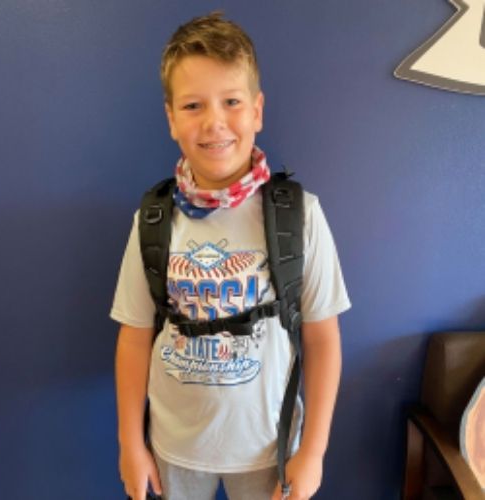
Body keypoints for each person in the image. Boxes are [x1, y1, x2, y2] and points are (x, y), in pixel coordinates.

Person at [111, 11, 351, 500]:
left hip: (271, 449)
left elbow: (323, 338)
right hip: (174, 449)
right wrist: (129, 443)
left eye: (232, 101)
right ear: (171, 118)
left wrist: (315, 452)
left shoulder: (299, 216)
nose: (214, 122)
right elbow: (134, 338)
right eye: (194, 105)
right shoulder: (153, 220)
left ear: (257, 111)